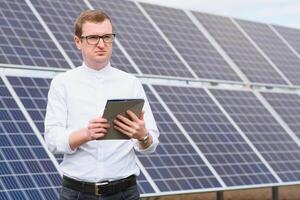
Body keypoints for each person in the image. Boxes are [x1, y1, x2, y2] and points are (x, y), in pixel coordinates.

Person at [44, 10, 159, 200]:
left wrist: (143, 135)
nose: (101, 43)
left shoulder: (130, 83)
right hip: (77, 194)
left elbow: (150, 144)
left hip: (125, 193)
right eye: (93, 38)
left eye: (106, 37)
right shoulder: (62, 83)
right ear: (78, 41)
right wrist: (85, 134)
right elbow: (52, 140)